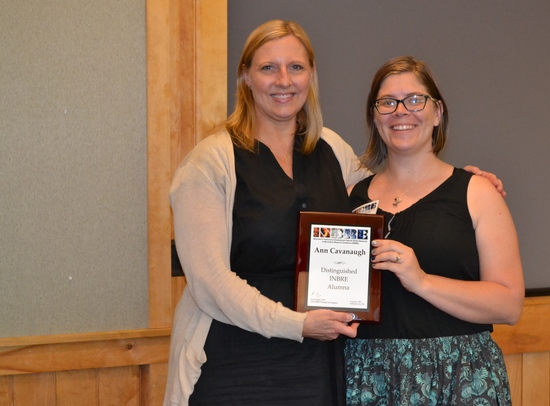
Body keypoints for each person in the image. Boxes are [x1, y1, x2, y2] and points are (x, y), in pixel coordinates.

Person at [164, 20, 505, 406]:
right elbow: (210, 284)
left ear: (311, 76)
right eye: (267, 68)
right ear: (245, 77)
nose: (283, 80)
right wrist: (297, 324)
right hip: (235, 363)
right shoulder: (210, 163)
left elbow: (397, 190)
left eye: (296, 67)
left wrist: (461, 182)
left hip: (319, 366)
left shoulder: (330, 150)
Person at [345, 56, 524, 405]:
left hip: (460, 377)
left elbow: (509, 304)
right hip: (369, 378)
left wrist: (423, 281)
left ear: (437, 112)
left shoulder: (477, 192)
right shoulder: (351, 198)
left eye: (415, 100)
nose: (401, 111)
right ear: (374, 116)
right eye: (387, 102)